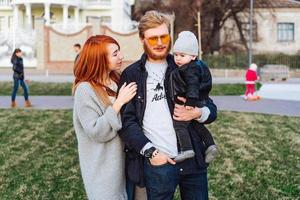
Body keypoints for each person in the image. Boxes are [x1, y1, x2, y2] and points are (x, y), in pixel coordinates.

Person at [118, 11, 217, 200]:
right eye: (153, 38)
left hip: (192, 160)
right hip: (159, 163)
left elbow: (211, 109)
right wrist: (151, 152)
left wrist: (197, 113)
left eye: (163, 36)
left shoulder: (186, 66)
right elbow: (127, 122)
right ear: (142, 39)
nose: (160, 42)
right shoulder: (132, 74)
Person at [73, 35, 137, 200]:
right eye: (115, 54)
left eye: (119, 51)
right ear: (99, 60)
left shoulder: (117, 81)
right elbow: (96, 131)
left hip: (127, 165)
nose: (121, 56)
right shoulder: (85, 90)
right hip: (104, 173)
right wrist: (118, 103)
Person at [171, 31, 218, 163]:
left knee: (179, 125)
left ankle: (187, 150)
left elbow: (192, 85)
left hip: (193, 101)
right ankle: (210, 145)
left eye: (182, 55)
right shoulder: (196, 65)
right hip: (199, 99)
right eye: (175, 55)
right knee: (196, 125)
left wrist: (190, 102)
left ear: (193, 56)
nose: (178, 59)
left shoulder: (190, 69)